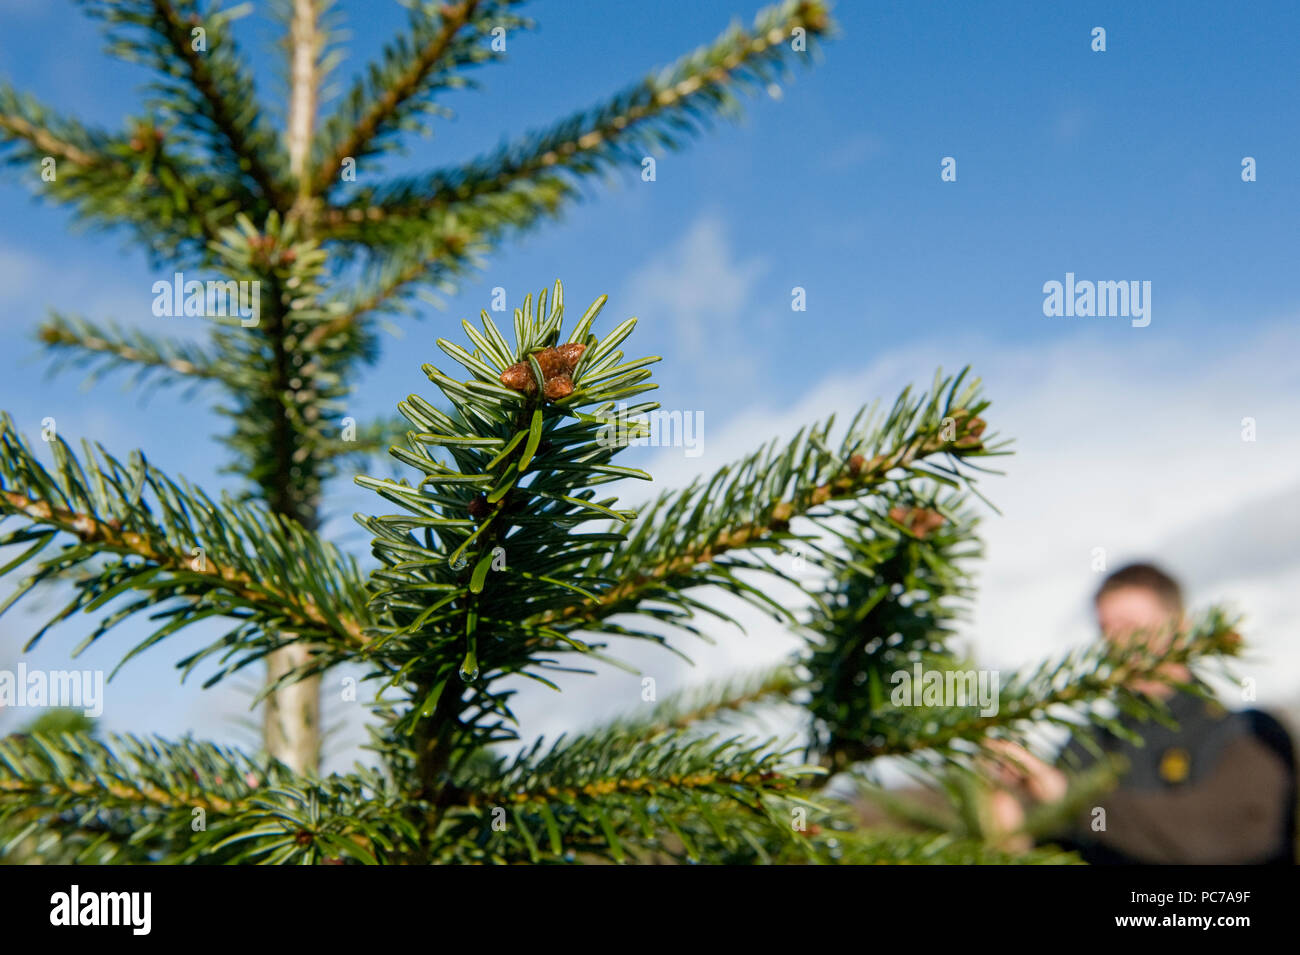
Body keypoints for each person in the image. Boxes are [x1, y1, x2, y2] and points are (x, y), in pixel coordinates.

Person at [989, 563, 1297, 864]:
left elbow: (1219, 837)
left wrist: (1070, 797)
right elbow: (1056, 844)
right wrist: (1014, 809)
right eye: (1106, 630)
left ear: (1180, 628)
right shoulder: (1087, 743)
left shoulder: (1248, 732)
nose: (1117, 644)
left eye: (1131, 628)